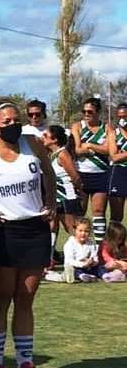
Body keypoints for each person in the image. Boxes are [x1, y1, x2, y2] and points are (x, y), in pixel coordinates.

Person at [0, 99, 55, 368]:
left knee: (26, 298)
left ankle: (25, 366)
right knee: (2, 298)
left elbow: (49, 173)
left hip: (34, 229)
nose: (13, 125)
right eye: (6, 121)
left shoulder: (33, 144)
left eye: (16, 120)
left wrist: (51, 202)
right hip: (3, 232)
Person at [70, 97, 110, 239]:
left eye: (90, 112)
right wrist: (99, 148)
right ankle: (78, 247)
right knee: (80, 212)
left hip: (101, 173)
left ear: (98, 112)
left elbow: (109, 151)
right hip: (81, 173)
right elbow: (77, 150)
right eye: (84, 111)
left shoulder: (107, 127)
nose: (86, 114)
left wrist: (90, 146)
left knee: (99, 211)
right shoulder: (77, 126)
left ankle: (99, 248)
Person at [42, 125, 82, 260]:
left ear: (54, 140)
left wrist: (78, 191)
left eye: (45, 136)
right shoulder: (50, 154)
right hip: (55, 198)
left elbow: (75, 176)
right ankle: (49, 259)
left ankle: (82, 257)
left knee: (72, 228)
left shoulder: (63, 154)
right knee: (51, 226)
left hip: (67, 197)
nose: (43, 138)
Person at [62, 219, 102, 283]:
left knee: (101, 268)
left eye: (86, 231)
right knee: (74, 270)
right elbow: (69, 260)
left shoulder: (91, 243)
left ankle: (106, 275)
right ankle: (82, 276)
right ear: (75, 230)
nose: (83, 233)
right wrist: (82, 264)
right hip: (76, 266)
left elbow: (95, 256)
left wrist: (92, 262)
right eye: (80, 231)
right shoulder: (70, 244)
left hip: (89, 267)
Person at [107, 101, 127, 224]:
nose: (122, 119)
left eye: (124, 116)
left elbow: (119, 155)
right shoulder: (114, 133)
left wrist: (122, 154)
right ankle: (114, 242)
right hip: (118, 173)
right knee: (116, 215)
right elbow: (114, 157)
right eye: (119, 117)